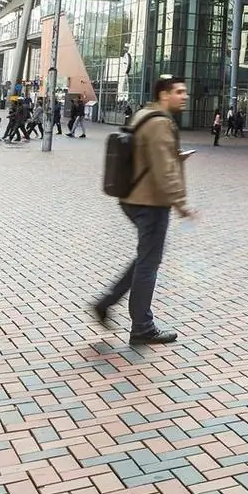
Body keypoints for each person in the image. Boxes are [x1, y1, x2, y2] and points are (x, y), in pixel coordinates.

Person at [89, 76, 192, 345]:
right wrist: (181, 202)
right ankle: (142, 327)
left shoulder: (144, 115)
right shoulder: (159, 123)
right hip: (151, 202)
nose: (184, 96)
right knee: (148, 263)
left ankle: (107, 302)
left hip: (132, 197)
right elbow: (163, 169)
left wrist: (176, 156)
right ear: (164, 94)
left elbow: (151, 156)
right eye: (179, 92)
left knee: (145, 258)